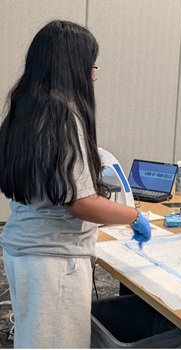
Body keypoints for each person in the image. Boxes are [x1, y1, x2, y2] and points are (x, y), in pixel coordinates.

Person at [0, 20, 151, 348]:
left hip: (23, 246)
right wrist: (134, 216)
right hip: (53, 260)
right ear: (75, 66)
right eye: (91, 67)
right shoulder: (64, 117)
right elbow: (80, 202)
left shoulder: (25, 107)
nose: (93, 76)